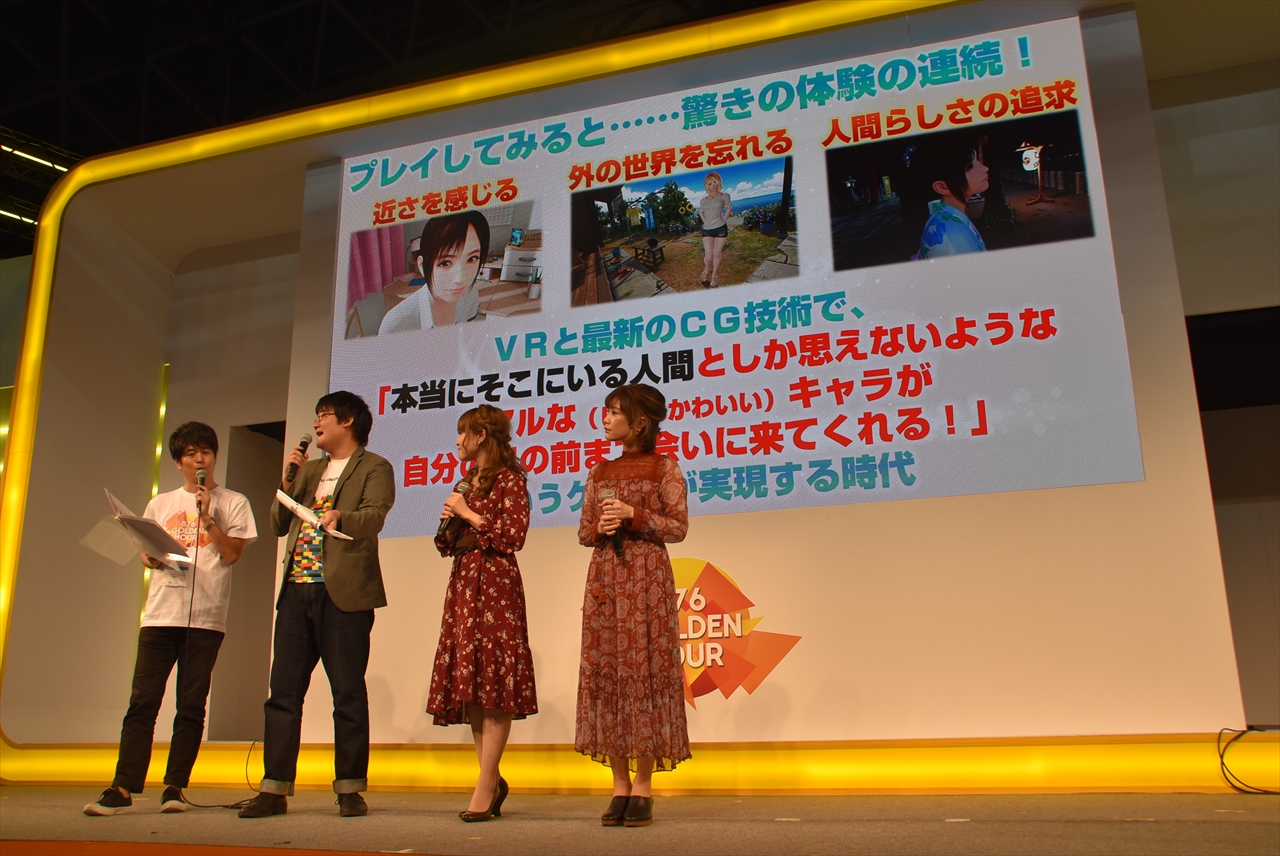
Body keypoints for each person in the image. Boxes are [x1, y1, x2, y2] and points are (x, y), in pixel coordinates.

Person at [84, 422, 256, 816]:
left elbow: (232, 554)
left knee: (191, 705)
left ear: (215, 457)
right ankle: (123, 787)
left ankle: (175, 787)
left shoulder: (234, 502)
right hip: (160, 615)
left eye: (206, 452)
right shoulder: (160, 504)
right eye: (191, 454)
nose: (200, 459)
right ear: (179, 462)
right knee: (142, 702)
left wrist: (208, 518)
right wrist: (150, 557)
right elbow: (146, 554)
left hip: (206, 618)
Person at [239, 391, 395, 819]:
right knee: (283, 693)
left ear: (347, 421)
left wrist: (341, 517)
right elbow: (278, 523)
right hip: (296, 589)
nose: (316, 423)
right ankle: (274, 789)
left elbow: (375, 514)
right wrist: (287, 484)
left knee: (347, 693)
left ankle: (350, 788)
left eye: (324, 415)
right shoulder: (308, 471)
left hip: (342, 592)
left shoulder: (374, 466)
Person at [575, 384, 690, 828]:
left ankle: (642, 785)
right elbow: (583, 532)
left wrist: (634, 515)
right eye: (605, 411)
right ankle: (618, 784)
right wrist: (600, 527)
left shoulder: (664, 467)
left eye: (613, 412)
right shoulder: (599, 470)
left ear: (639, 422)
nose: (605, 419)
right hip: (606, 576)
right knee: (609, 673)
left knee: (644, 671)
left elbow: (678, 527)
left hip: (646, 578)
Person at [428, 405, 537, 822]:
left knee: (494, 681)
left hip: (495, 581)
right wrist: (452, 522)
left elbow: (513, 536)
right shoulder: (466, 481)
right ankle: (489, 776)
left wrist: (469, 514)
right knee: (472, 683)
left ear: (482, 436)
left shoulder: (511, 480)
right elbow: (446, 544)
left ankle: (486, 783)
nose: (458, 441)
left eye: (463, 433)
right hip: (464, 581)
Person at [379, 210, 490, 335]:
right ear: (422, 265)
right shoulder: (396, 325)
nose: (460, 279)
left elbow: (465, 336)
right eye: (445, 263)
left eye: (472, 259)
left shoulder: (470, 293)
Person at [909, 135, 990, 259]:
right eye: (970, 167)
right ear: (942, 187)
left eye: (977, 161)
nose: (984, 168)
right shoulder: (951, 238)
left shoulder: (947, 219)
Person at [698, 171, 732, 288]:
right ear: (707, 186)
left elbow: (729, 208)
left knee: (717, 254)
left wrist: (724, 220)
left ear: (718, 182)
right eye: (710, 183)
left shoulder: (725, 196)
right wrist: (705, 222)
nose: (713, 185)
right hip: (707, 229)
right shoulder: (703, 200)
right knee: (708, 256)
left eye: (714, 182)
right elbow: (701, 212)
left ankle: (714, 275)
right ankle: (706, 270)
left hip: (721, 229)